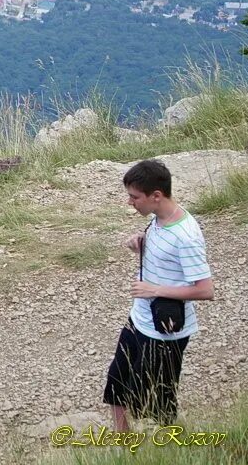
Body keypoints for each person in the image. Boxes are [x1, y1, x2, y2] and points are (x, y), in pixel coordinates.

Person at [104, 159, 214, 431]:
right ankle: (125, 444)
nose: (130, 203)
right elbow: (167, 264)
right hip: (139, 319)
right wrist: (141, 248)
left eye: (134, 197)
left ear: (156, 196)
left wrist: (154, 290)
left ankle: (169, 451)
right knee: (116, 385)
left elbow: (205, 289)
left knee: (159, 404)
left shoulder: (186, 236)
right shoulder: (157, 219)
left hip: (165, 331)